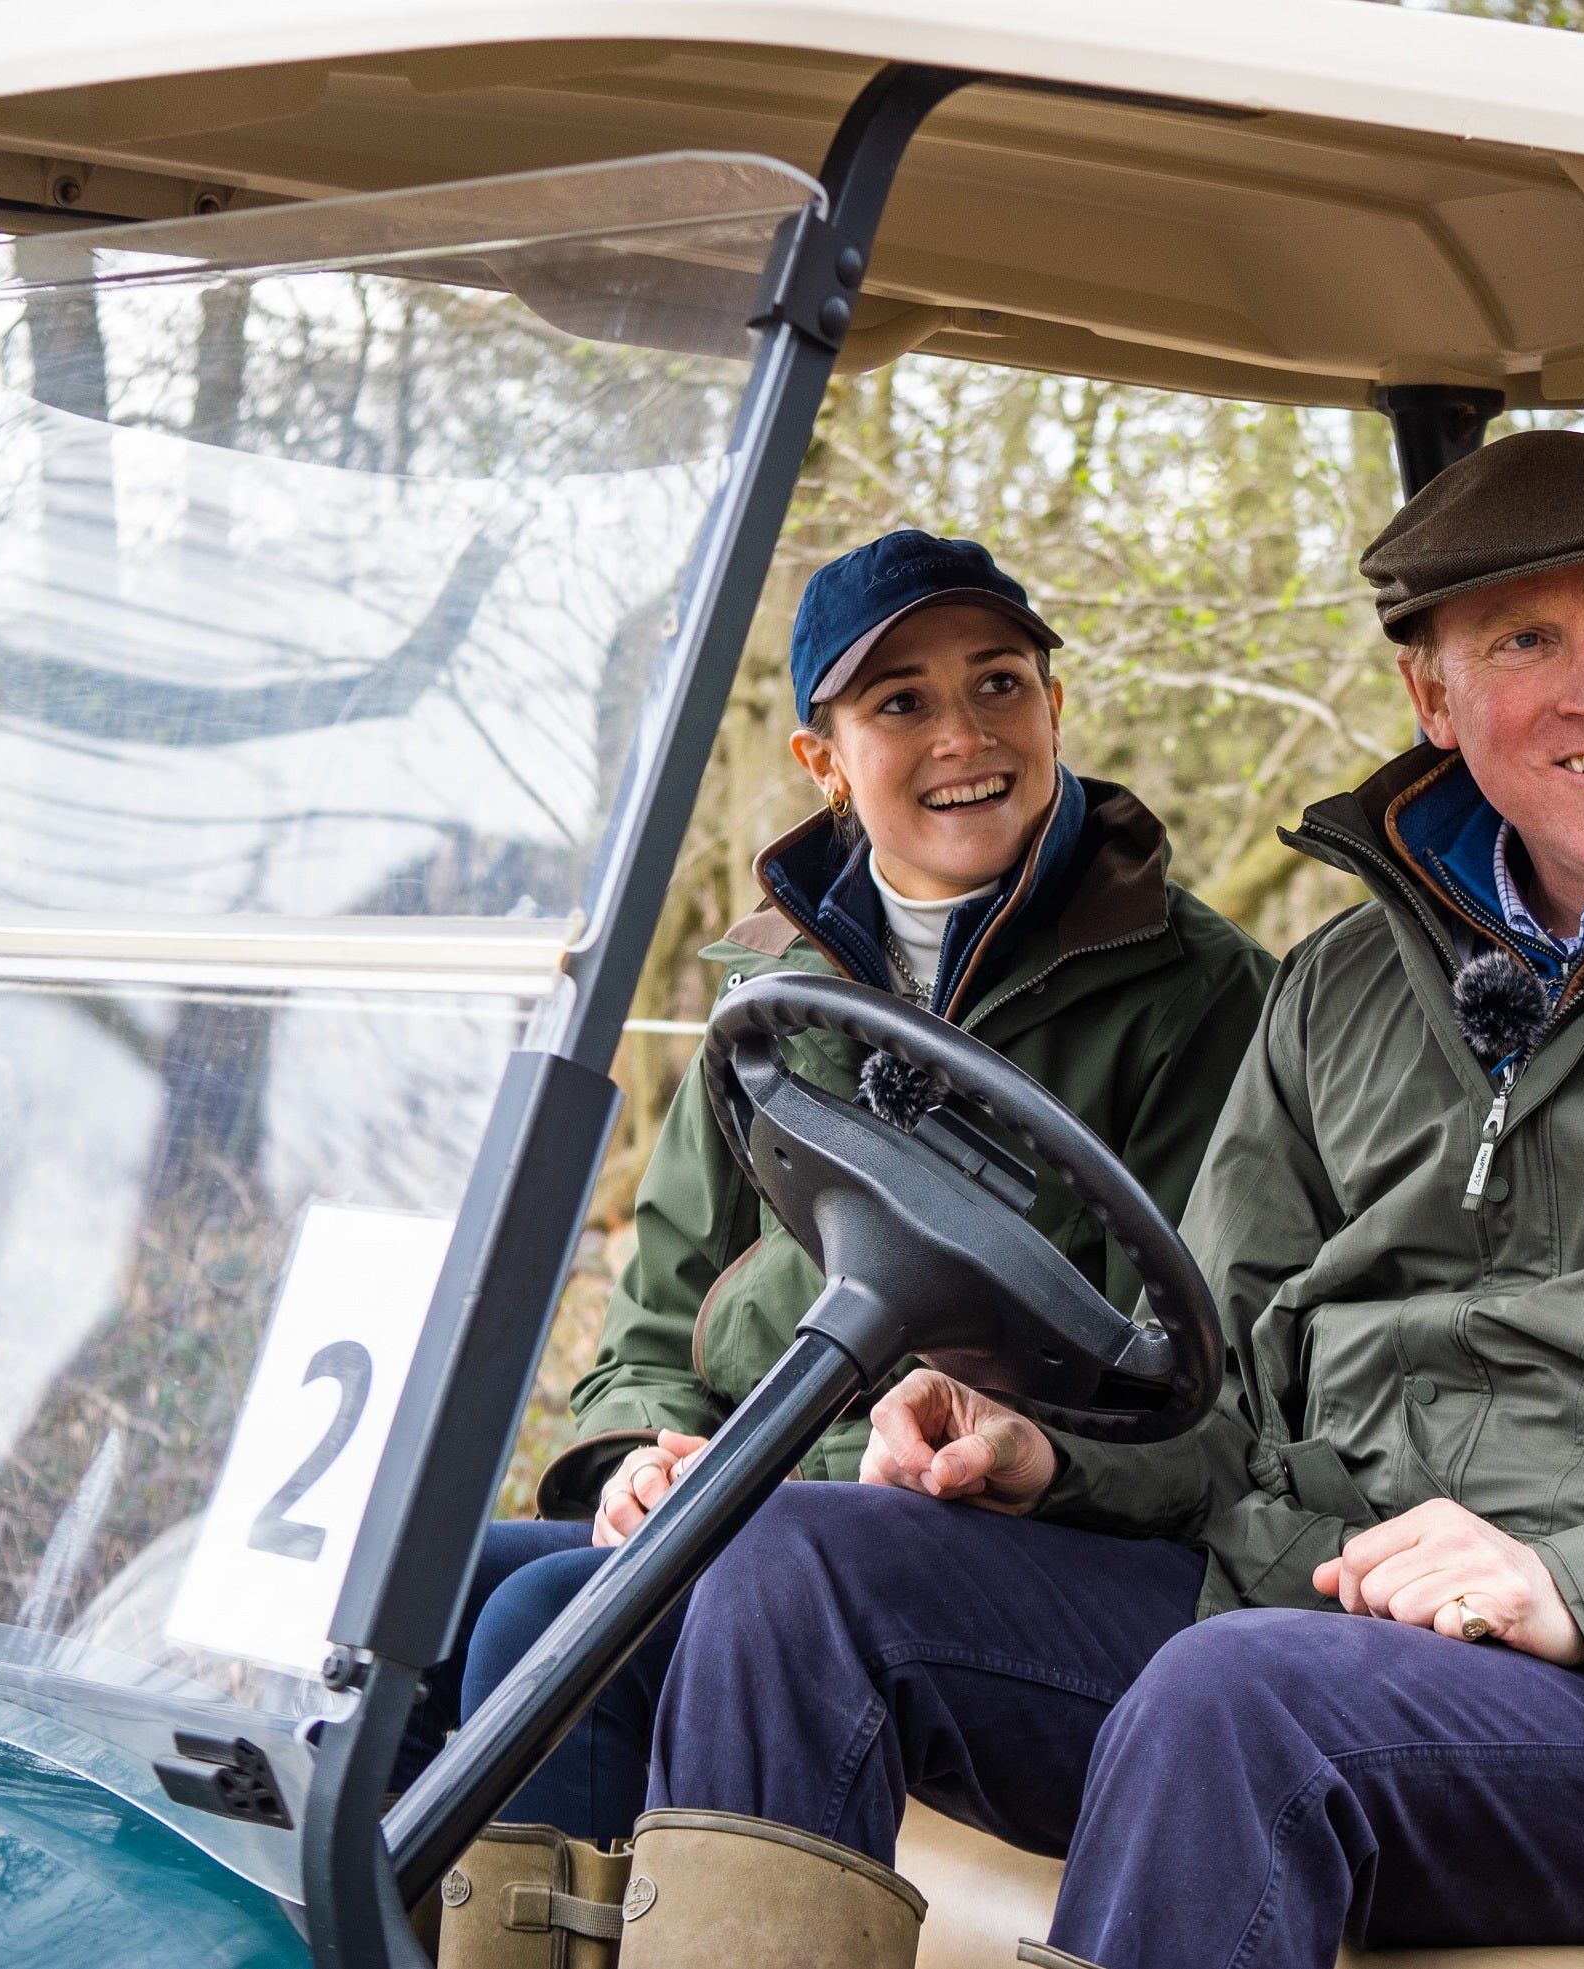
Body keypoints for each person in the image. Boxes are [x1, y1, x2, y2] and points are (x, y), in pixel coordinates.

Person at [622, 431, 1584, 1969]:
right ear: (1435, 695)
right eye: (1526, 641)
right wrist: (1050, 1450)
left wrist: (1577, 1581)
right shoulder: (1349, 986)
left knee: (1244, 1700)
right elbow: (1213, 1383)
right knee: (789, 1564)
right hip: (1325, 1617)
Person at [400, 529, 1277, 1838]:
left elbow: (1184, 1376)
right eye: (901, 702)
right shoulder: (767, 989)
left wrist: (817, 1465)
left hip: (1021, 1528)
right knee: (430, 1593)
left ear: (1054, 702)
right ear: (822, 757)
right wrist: (641, 1454)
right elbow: (657, 1322)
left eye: (998, 683)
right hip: (752, 1494)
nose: (964, 735)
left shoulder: (1196, 991)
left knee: (549, 1620)